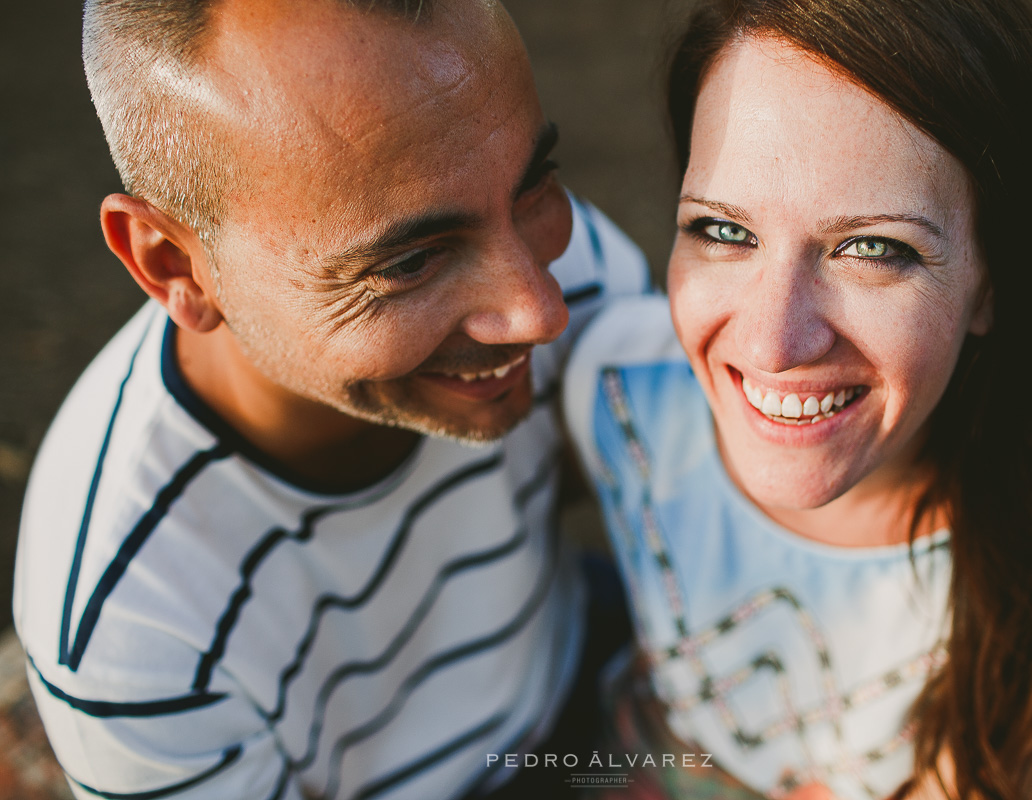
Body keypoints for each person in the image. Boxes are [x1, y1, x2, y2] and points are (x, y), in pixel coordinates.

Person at [563, 0, 1032, 798]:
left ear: (993, 282)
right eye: (724, 230)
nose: (771, 345)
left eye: (874, 248)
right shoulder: (620, 392)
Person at [13, 0, 648, 798]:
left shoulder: (561, 259)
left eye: (535, 187)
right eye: (410, 263)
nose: (541, 311)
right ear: (175, 265)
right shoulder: (132, 621)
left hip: (576, 669)